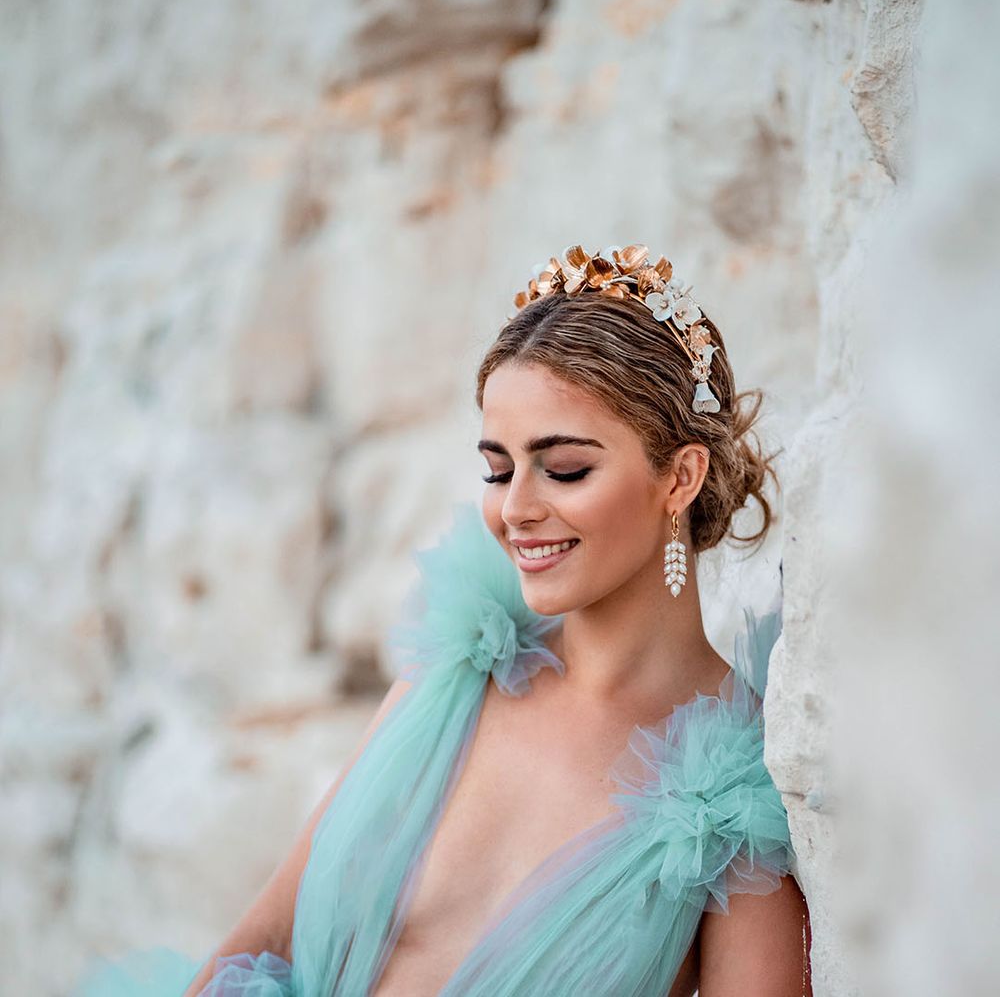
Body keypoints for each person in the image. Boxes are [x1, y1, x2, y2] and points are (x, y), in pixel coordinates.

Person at [75, 244, 812, 996]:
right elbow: (261, 942)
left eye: (564, 469)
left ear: (680, 476)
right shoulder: (466, 666)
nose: (515, 509)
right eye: (498, 469)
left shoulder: (736, 795)